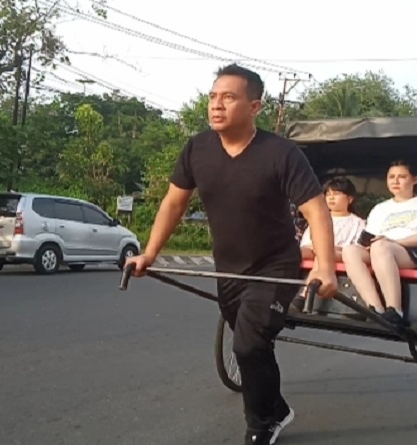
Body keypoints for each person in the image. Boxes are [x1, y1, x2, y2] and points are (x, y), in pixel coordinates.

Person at [124, 64, 338, 445]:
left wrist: (324, 266)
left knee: (249, 344)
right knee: (249, 343)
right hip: (229, 268)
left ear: (254, 106)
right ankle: (278, 408)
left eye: (229, 97)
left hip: (275, 266)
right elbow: (174, 203)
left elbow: (315, 210)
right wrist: (149, 253)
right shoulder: (198, 149)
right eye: (212, 96)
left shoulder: (281, 153)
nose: (216, 105)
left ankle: (261, 427)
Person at [341, 160, 417, 326]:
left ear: (415, 179)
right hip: (382, 251)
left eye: (402, 177)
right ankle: (375, 308)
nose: (395, 181)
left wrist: (393, 242)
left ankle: (395, 309)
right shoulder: (380, 208)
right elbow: (370, 238)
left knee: (381, 247)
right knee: (350, 251)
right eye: (391, 177)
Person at [293, 177, 366, 307]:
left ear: (349, 199)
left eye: (337, 194)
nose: (331, 198)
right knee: (293, 252)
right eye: (328, 194)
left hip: (338, 252)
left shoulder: (358, 223)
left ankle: (303, 295)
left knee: (324, 252)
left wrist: (324, 248)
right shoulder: (318, 218)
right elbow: (306, 242)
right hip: (312, 248)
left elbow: (356, 246)